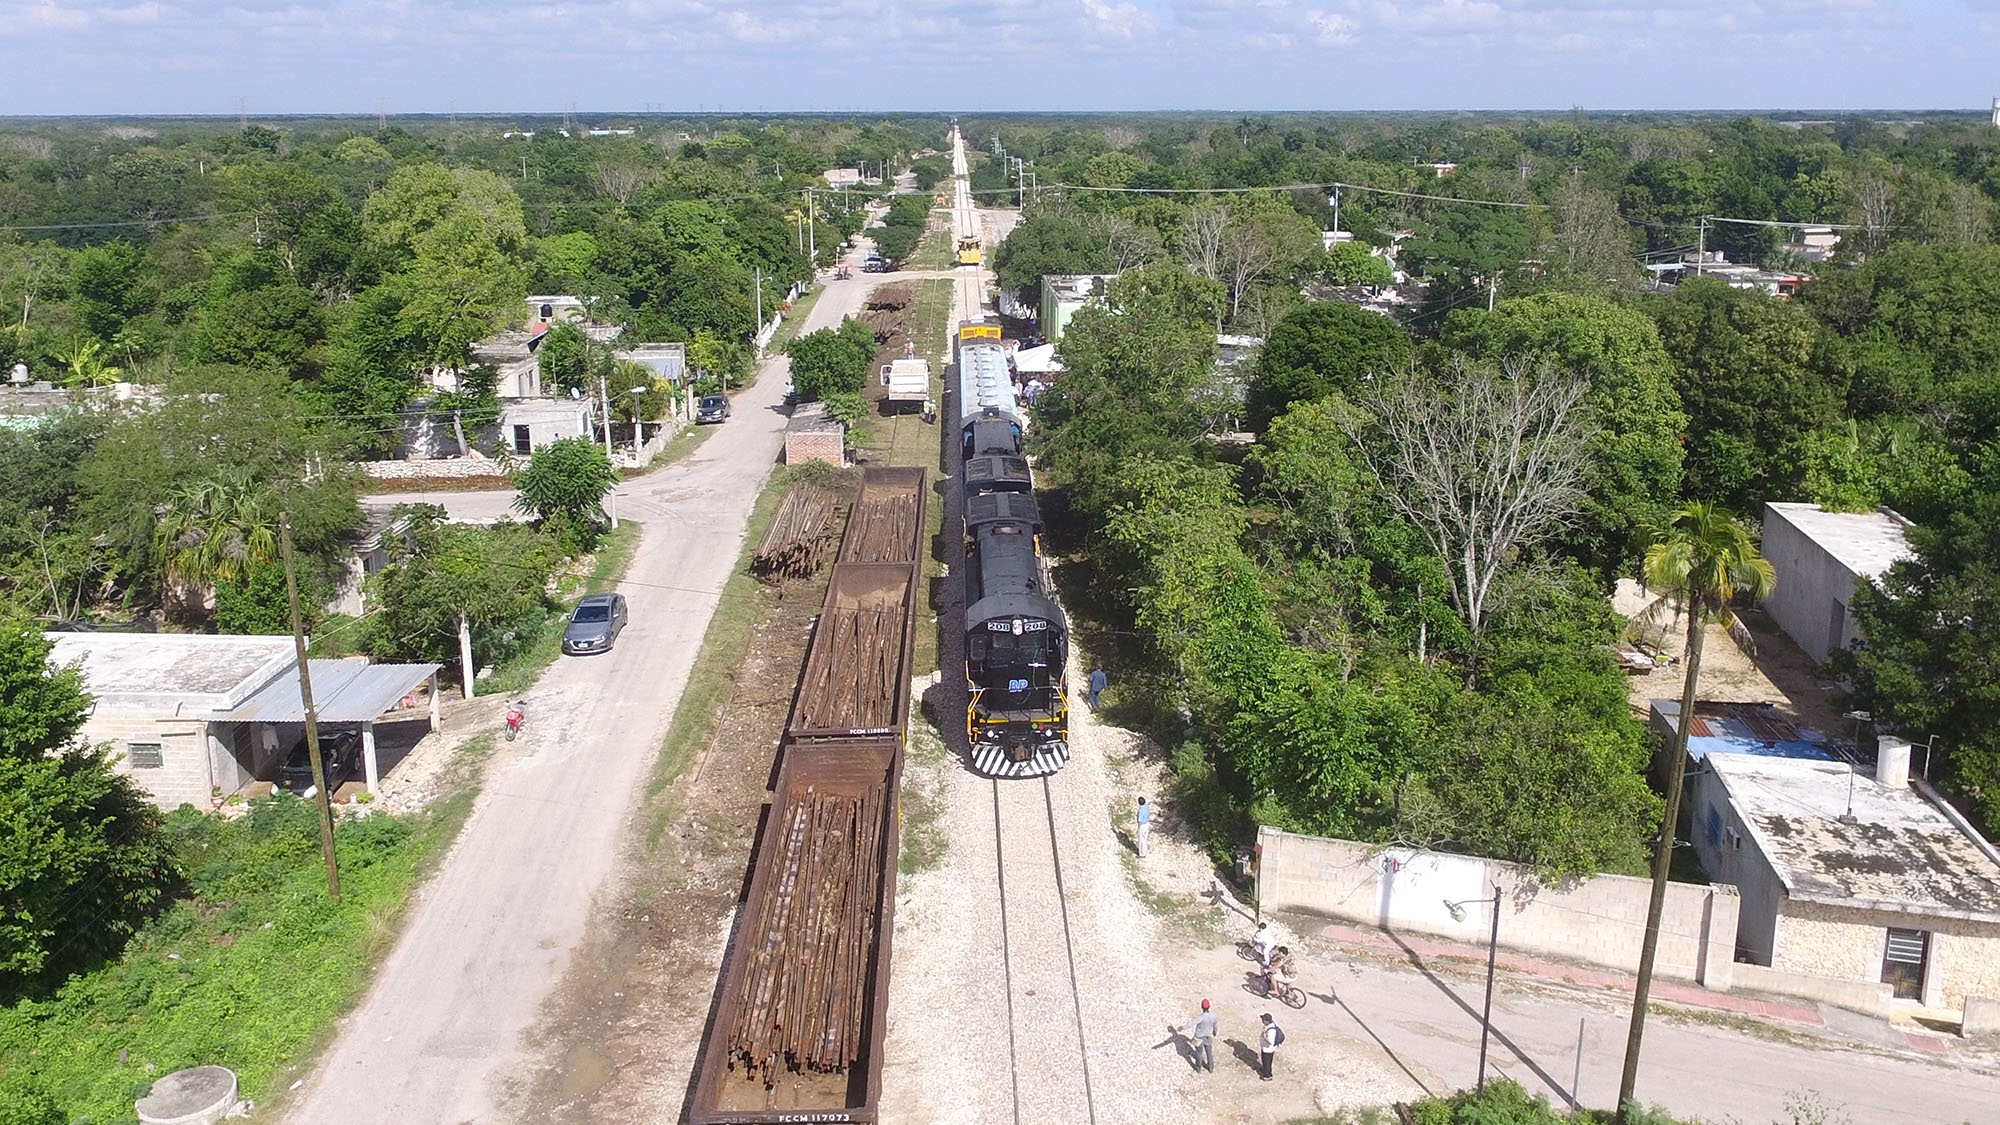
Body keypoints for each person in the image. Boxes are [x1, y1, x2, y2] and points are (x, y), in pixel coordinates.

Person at [1174, 999, 1217, 1073]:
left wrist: (1182, 1027)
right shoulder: (1213, 1016)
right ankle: (1211, 1067)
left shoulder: (1200, 1017)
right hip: (1208, 1037)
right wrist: (1215, 1032)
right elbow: (1215, 1026)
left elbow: (1191, 1023)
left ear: (1201, 1007)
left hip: (1199, 1038)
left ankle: (1198, 1067)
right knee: (1209, 1053)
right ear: (1209, 1006)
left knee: (1198, 1053)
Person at [1259, 1012, 1283, 1081]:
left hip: (1268, 1050)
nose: (1262, 1021)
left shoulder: (1271, 1030)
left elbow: (1271, 1042)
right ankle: (1265, 1070)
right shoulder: (1269, 1025)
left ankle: (1268, 1076)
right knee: (1265, 1061)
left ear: (1266, 1021)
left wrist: (1264, 1037)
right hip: (1265, 1048)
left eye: (1263, 1020)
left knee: (1267, 1062)